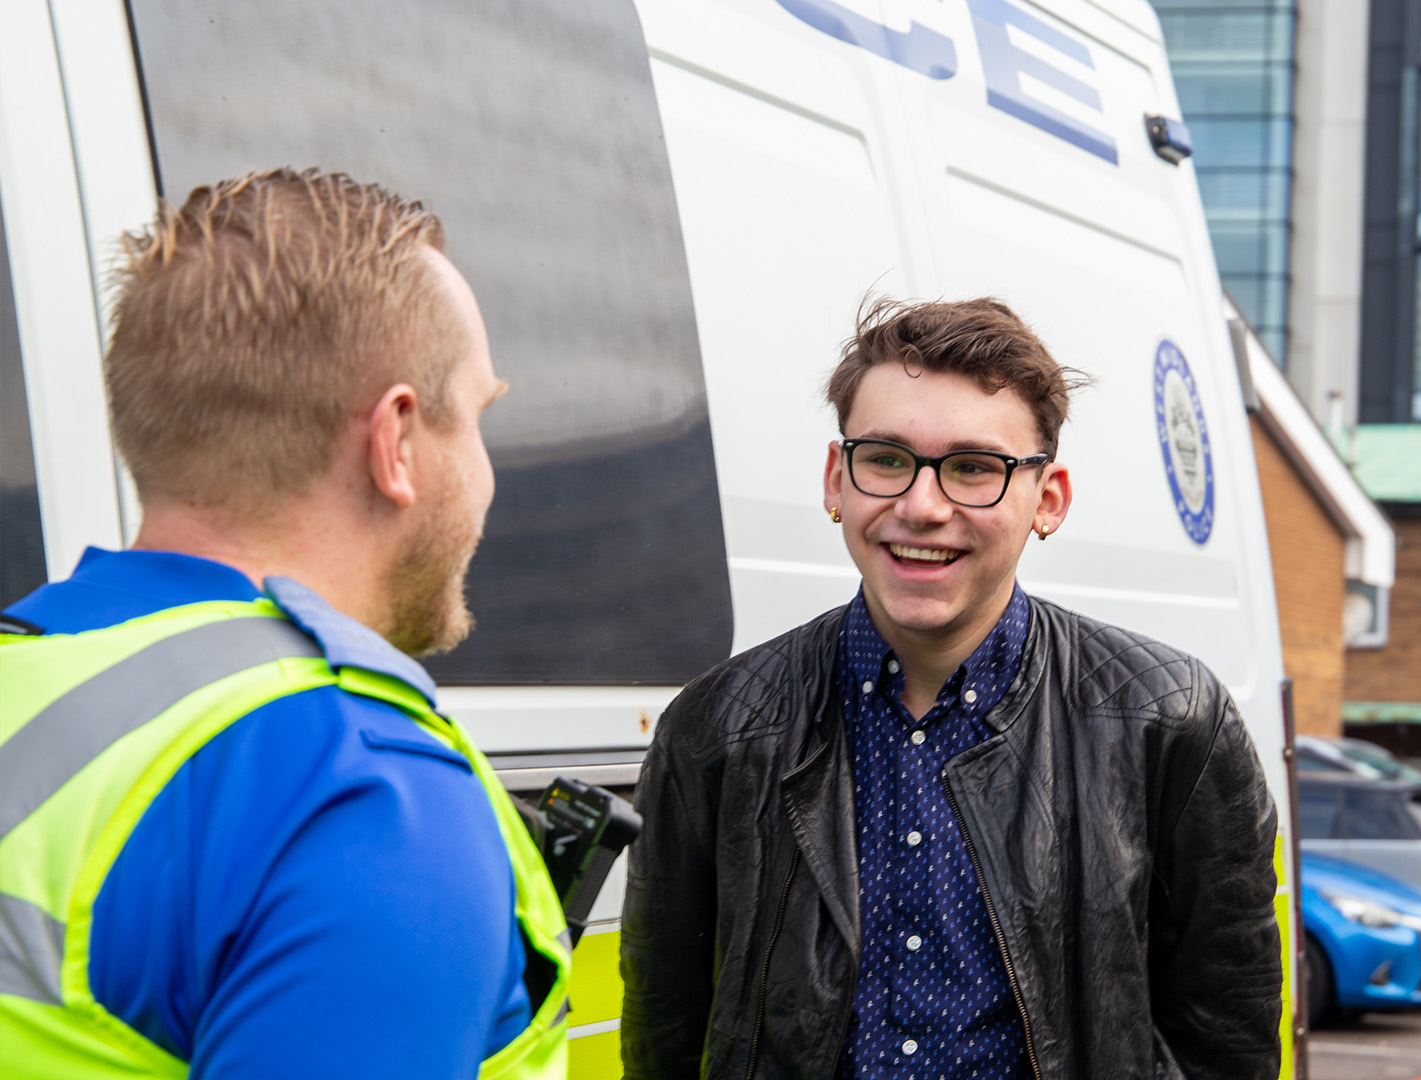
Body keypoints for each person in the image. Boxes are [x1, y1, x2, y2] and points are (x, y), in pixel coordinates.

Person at [622, 298, 1284, 1080]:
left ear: (1049, 499)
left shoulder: (1170, 723)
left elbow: (1224, 1042)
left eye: (974, 468)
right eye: (886, 459)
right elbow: (665, 1031)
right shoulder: (719, 728)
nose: (922, 506)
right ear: (839, 479)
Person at [0, 169, 569, 1078]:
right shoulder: (362, 789)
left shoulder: (26, 669)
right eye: (476, 419)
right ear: (397, 442)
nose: (488, 474)